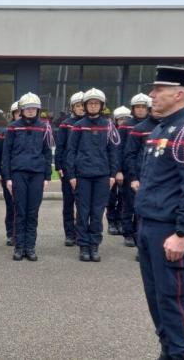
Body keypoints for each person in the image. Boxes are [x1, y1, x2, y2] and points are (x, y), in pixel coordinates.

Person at [136, 66, 184, 360]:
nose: (152, 95)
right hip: (148, 228)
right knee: (157, 302)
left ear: (179, 94)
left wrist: (181, 233)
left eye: (159, 90)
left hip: (170, 231)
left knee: (174, 302)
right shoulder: (161, 128)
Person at [66, 88, 119, 262]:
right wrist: (72, 175)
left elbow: (113, 151)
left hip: (102, 175)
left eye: (96, 103)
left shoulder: (108, 125)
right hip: (82, 175)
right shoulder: (78, 126)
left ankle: (94, 245)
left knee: (97, 212)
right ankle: (83, 246)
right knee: (83, 212)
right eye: (90, 103)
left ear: (102, 106)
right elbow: (71, 152)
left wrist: (112, 174)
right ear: (86, 106)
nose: (93, 106)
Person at [2, 93, 53, 261]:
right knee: (20, 211)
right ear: (21, 110)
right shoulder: (13, 127)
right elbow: (6, 154)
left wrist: (47, 176)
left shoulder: (44, 127)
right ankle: (19, 247)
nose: (30, 111)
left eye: (34, 109)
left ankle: (30, 247)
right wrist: (8, 177)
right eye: (27, 108)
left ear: (38, 110)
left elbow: (47, 153)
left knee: (33, 212)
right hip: (18, 173)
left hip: (37, 174)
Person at [120, 93, 154, 248]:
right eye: (137, 107)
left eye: (143, 107)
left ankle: (138, 232)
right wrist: (119, 170)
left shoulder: (155, 126)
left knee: (143, 207)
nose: (140, 110)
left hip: (148, 172)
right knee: (128, 203)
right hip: (130, 170)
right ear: (132, 109)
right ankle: (127, 232)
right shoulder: (125, 125)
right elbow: (120, 150)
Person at [55, 91, 85, 246]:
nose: (81, 108)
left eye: (82, 105)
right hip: (68, 169)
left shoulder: (89, 124)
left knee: (83, 205)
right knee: (68, 203)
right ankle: (69, 234)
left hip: (85, 170)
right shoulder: (65, 124)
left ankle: (81, 233)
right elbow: (60, 147)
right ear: (72, 107)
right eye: (78, 106)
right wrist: (59, 166)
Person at [0, 101, 20, 246]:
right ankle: (11, 233)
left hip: (22, 174)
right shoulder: (5, 133)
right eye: (16, 113)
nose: (19, 115)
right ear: (12, 114)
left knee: (22, 207)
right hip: (7, 175)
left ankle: (20, 234)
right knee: (11, 206)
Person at [107, 106, 131, 236]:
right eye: (121, 119)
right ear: (115, 120)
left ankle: (120, 221)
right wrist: (116, 171)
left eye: (126, 118)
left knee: (123, 197)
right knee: (111, 197)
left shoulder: (131, 132)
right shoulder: (111, 132)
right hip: (112, 169)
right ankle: (111, 221)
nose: (123, 121)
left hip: (126, 170)